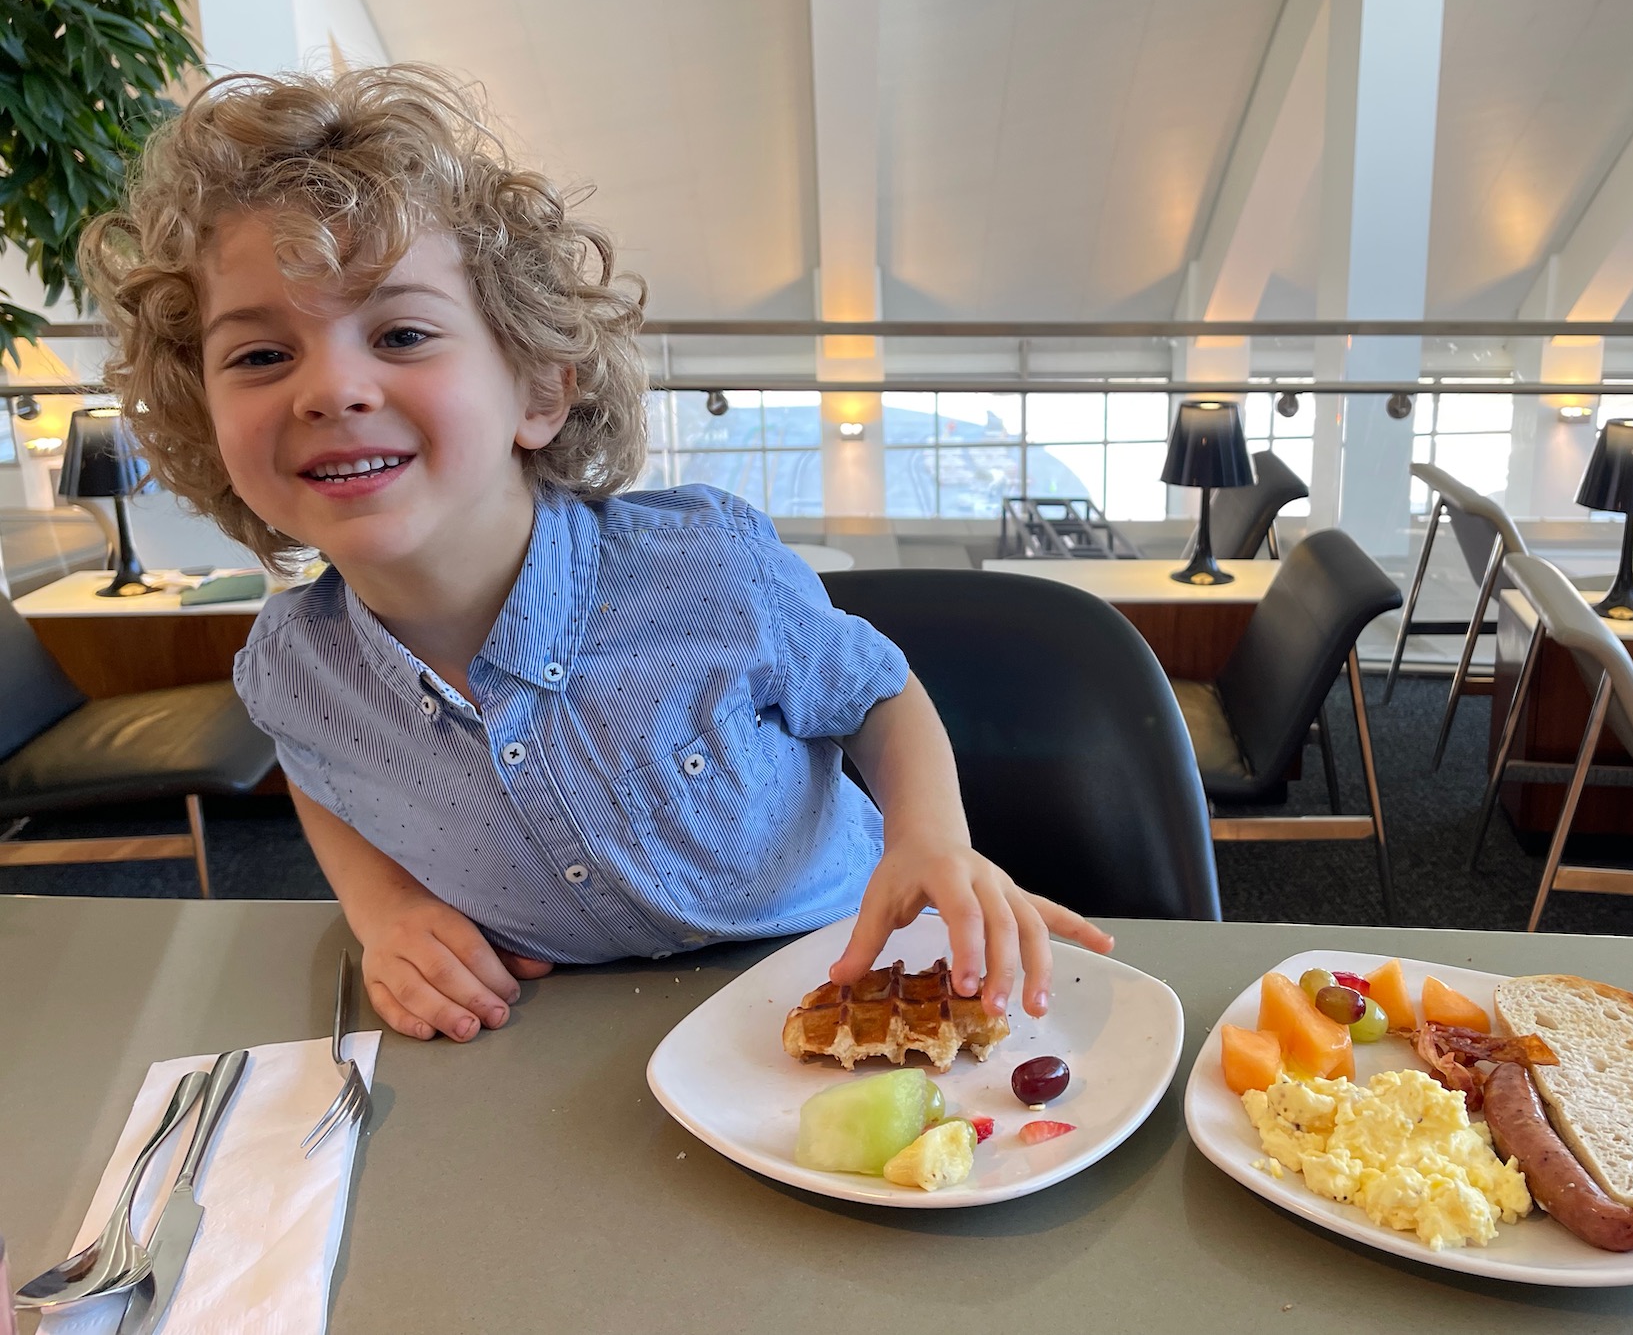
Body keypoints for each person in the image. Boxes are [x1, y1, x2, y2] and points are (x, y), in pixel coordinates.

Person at [80, 64, 1110, 1043]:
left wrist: (928, 839)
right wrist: (381, 907)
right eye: (261, 355)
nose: (328, 390)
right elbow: (316, 760)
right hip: (558, 1049)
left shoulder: (709, 569)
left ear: (536, 389)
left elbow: (875, 693)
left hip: (840, 971)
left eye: (399, 335)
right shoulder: (290, 668)